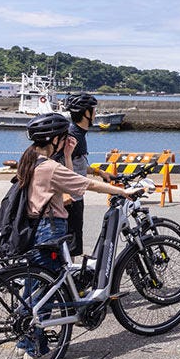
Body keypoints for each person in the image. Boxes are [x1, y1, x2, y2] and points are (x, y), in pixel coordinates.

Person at [15, 113, 133, 359]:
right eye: (62, 139)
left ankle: (24, 341)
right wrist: (123, 191)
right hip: (51, 228)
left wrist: (67, 156)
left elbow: (67, 186)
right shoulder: (49, 167)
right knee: (46, 291)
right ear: (55, 139)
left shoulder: (29, 160)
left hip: (33, 228)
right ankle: (36, 350)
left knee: (33, 287)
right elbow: (83, 185)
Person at [60, 93, 113, 260]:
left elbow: (78, 163)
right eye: (93, 110)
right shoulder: (73, 135)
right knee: (70, 242)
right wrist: (64, 193)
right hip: (70, 197)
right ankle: (65, 282)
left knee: (72, 241)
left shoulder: (78, 133)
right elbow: (59, 165)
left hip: (75, 194)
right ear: (86, 113)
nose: (96, 113)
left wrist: (99, 172)